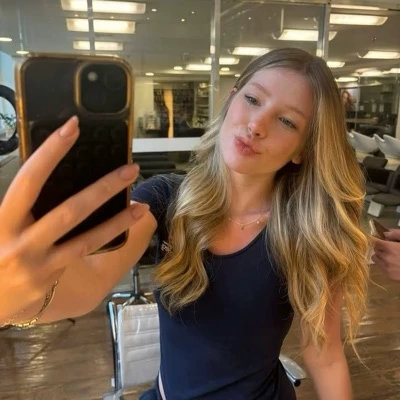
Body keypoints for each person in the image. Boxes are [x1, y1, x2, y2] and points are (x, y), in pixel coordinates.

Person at [0, 48, 369, 399]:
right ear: (231, 100)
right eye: (253, 99)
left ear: (303, 149)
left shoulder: (308, 232)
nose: (256, 125)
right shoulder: (165, 199)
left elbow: (325, 354)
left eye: (286, 121)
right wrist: (11, 293)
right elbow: (88, 285)